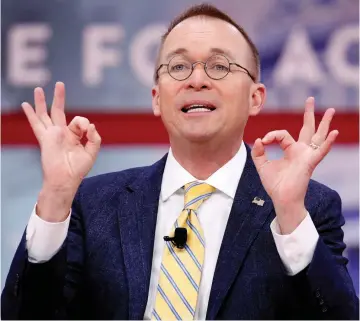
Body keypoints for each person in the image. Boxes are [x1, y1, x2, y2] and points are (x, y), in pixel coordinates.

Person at [2, 3, 358, 320]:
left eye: (219, 65)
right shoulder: (92, 203)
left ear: (255, 98)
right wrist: (54, 198)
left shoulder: (308, 206)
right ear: (157, 98)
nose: (197, 80)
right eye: (179, 66)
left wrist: (291, 215)